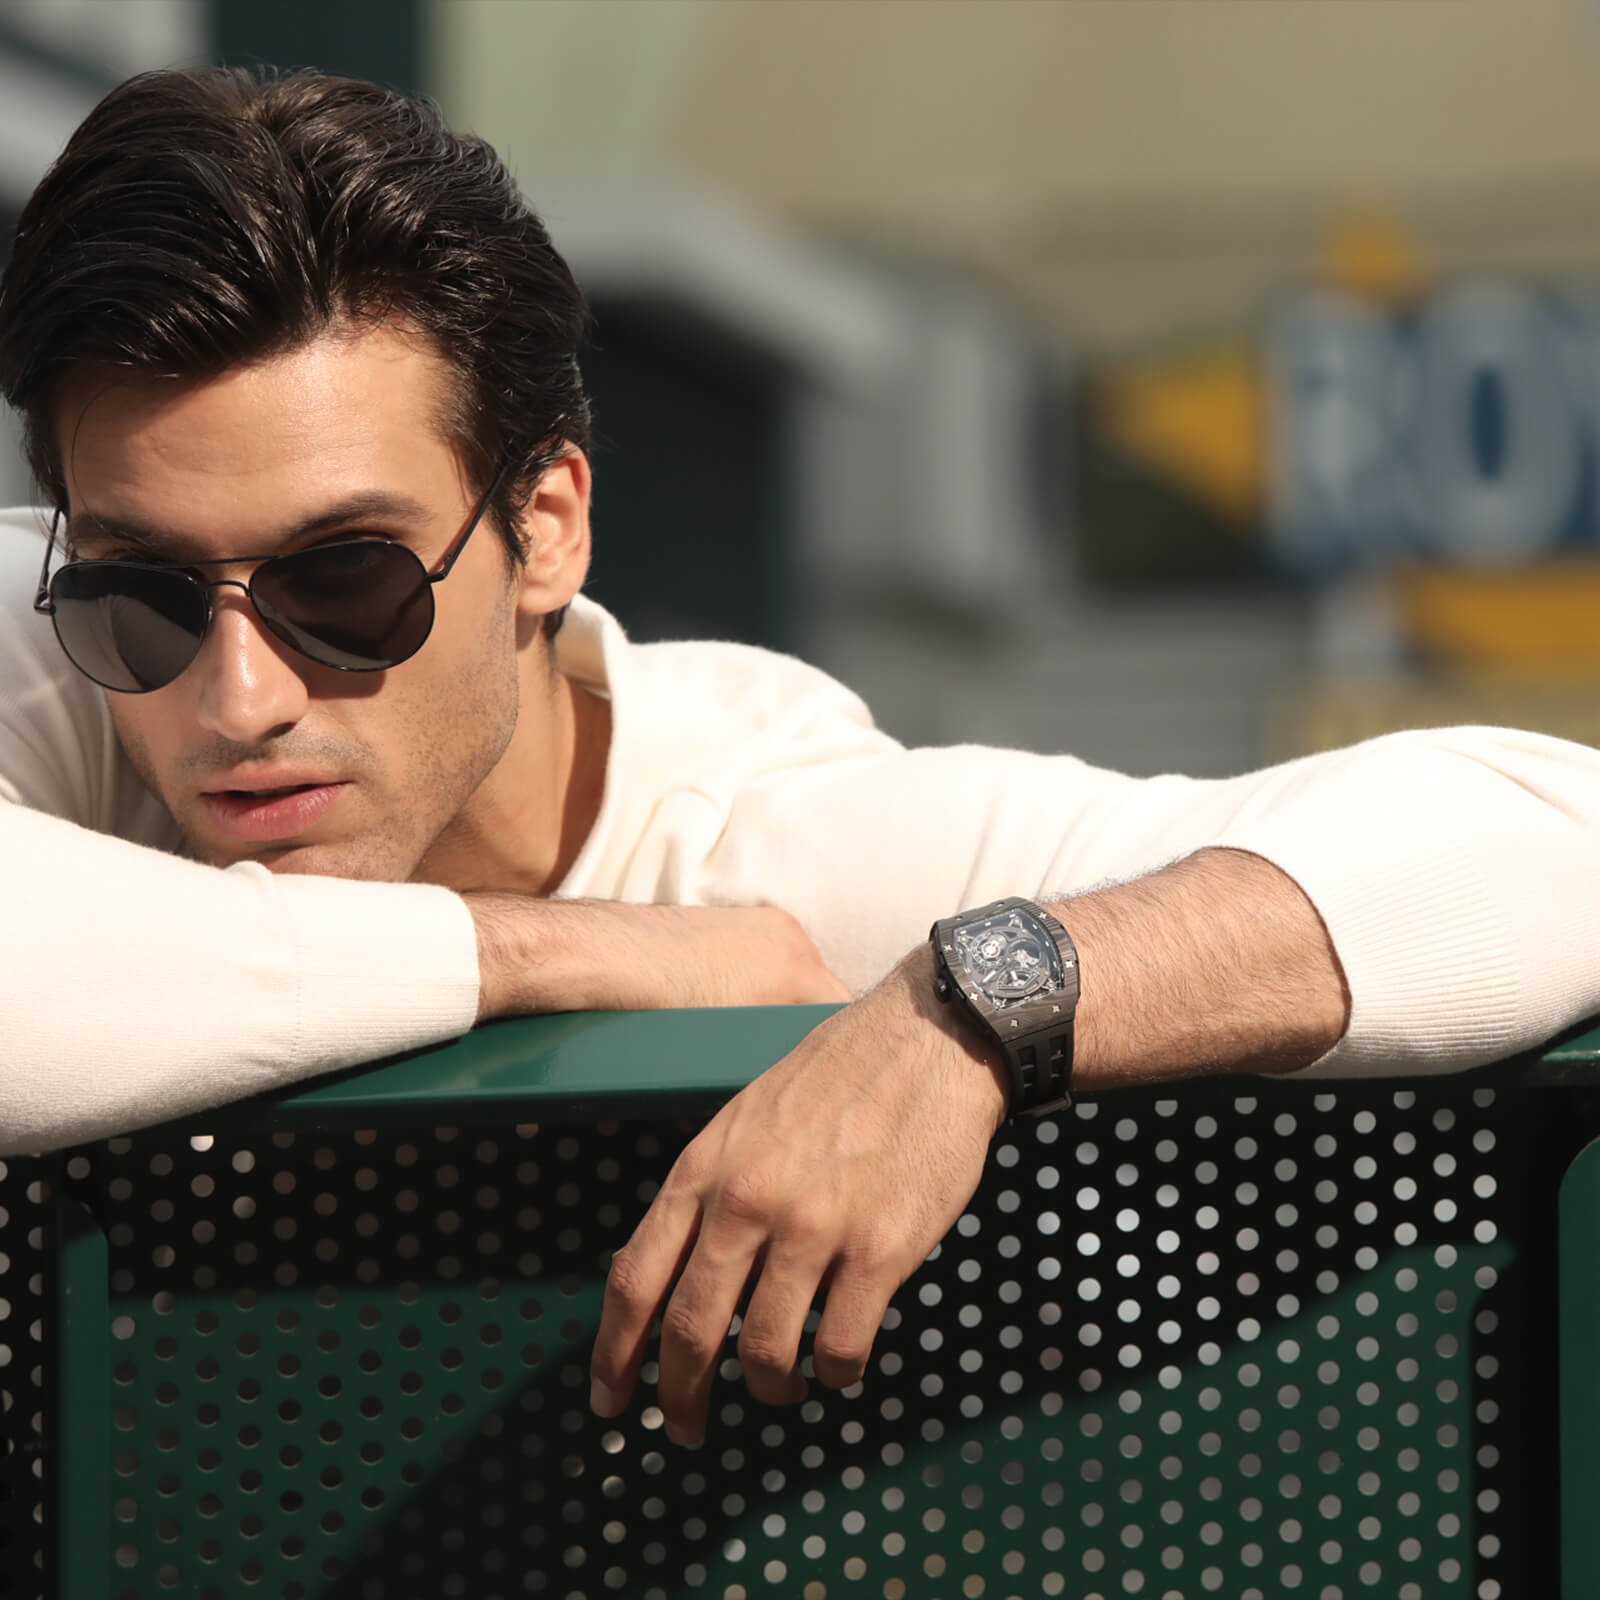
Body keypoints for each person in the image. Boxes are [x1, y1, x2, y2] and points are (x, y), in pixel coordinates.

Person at [1, 67, 1597, 1451]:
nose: (237, 698)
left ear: (545, 529)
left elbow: (1551, 836)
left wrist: (967, 1017)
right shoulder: (45, 638)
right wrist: (560, 955)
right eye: (145, 595)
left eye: (346, 580)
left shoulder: (777, 845)